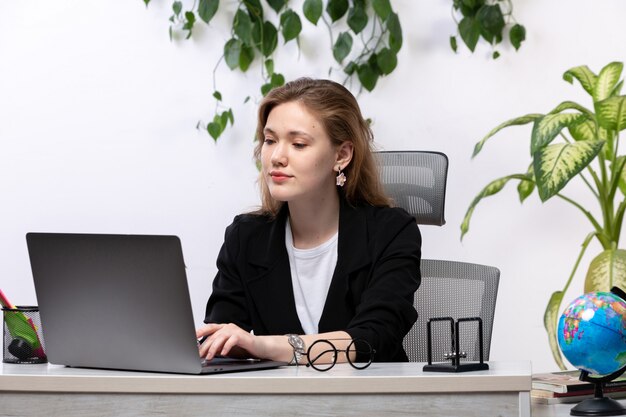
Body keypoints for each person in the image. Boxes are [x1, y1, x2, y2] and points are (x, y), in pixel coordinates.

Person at [197, 78, 421, 365]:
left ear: (341, 155)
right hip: (282, 405)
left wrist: (264, 345)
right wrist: (229, 342)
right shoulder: (246, 237)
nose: (276, 157)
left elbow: (374, 338)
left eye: (298, 144)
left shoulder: (390, 231)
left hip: (370, 402)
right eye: (269, 140)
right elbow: (222, 335)